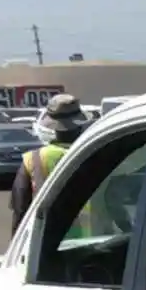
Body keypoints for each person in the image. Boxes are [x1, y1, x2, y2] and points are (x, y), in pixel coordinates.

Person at [8, 94, 89, 228]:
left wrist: (15, 244)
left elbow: (20, 209)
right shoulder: (95, 149)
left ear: (52, 127)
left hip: (49, 241)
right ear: (80, 125)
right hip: (100, 241)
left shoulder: (33, 159)